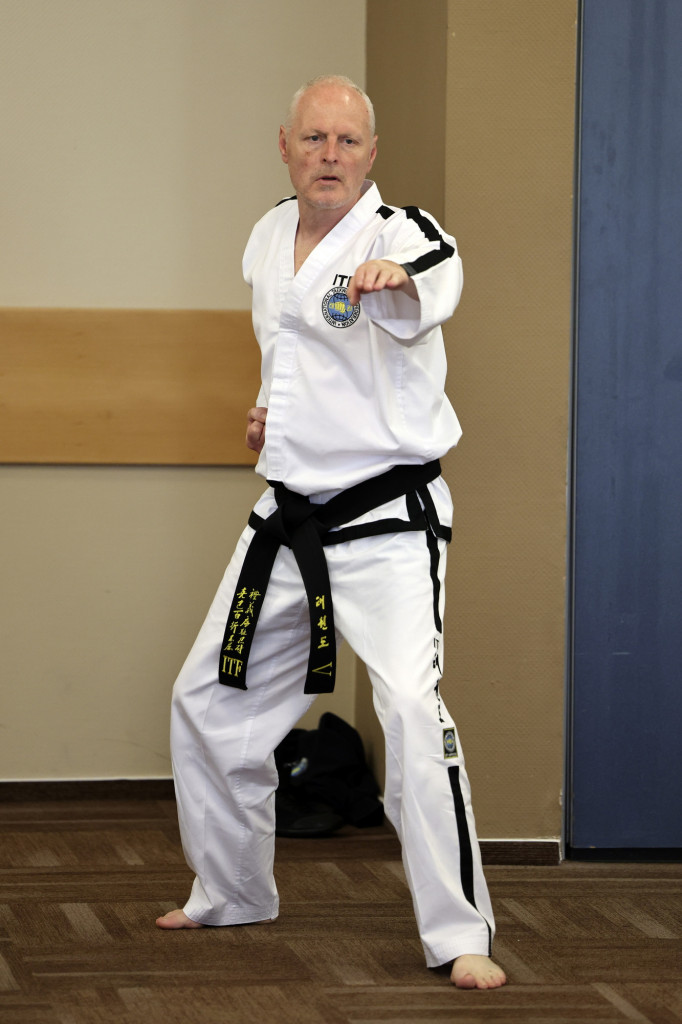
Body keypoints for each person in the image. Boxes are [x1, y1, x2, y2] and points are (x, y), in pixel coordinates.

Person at [156, 74, 506, 991]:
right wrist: (272, 416)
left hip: (387, 524)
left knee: (412, 713)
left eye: (348, 141)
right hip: (290, 519)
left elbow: (439, 275)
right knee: (208, 701)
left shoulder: (403, 235)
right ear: (285, 147)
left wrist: (399, 280)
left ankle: (460, 933)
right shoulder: (269, 235)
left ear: (372, 154)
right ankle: (231, 891)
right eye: (314, 138)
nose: (330, 156)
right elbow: (289, 353)